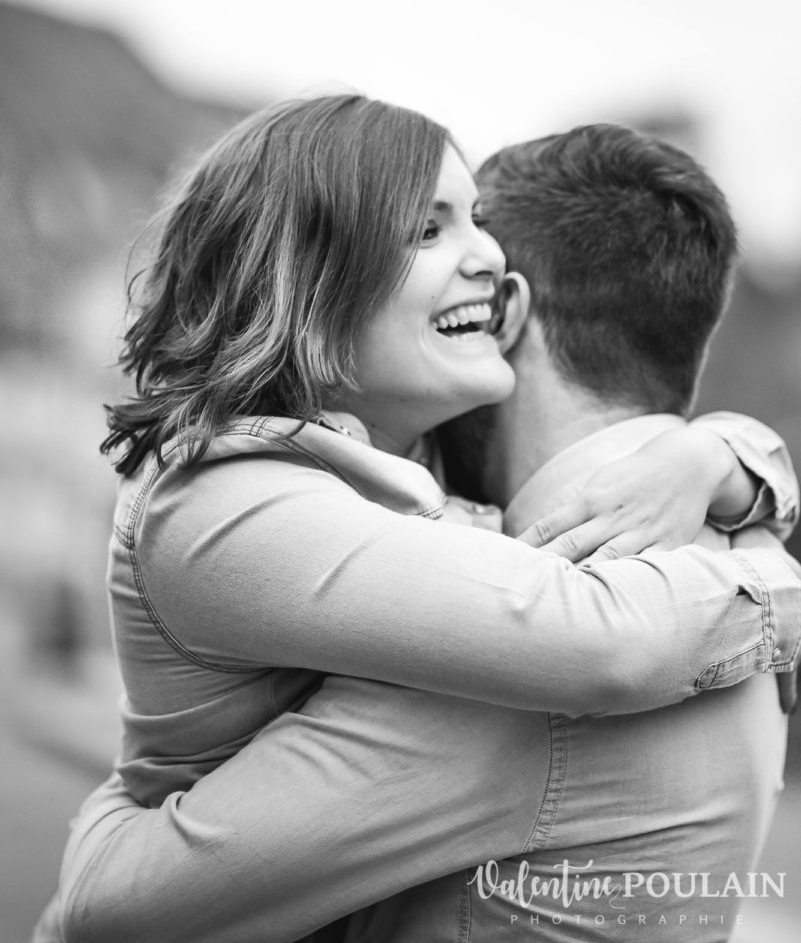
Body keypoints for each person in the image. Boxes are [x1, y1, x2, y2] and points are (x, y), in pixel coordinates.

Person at [35, 97, 800, 943]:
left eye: (475, 220)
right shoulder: (230, 500)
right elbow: (597, 639)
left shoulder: (394, 469)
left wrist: (723, 457)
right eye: (427, 231)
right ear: (309, 279)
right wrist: (773, 569)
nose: (486, 257)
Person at [338, 124, 793, 943]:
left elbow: (123, 902)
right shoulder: (744, 547)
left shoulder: (519, 628)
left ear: (503, 312)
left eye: (460, 310)